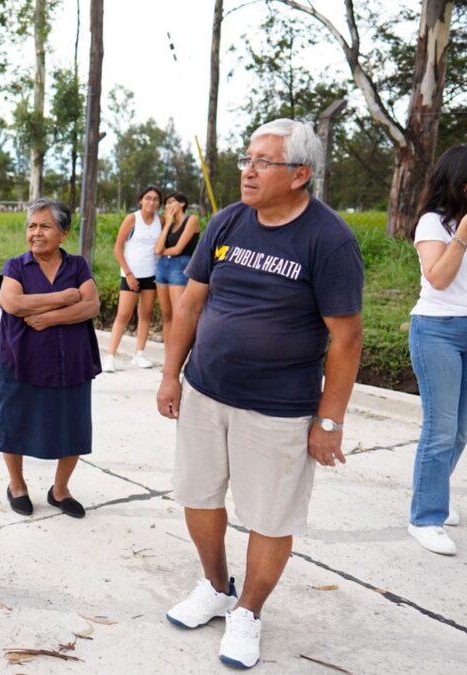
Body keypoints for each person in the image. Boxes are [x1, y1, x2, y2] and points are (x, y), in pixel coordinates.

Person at [156, 119, 363, 669]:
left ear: (300, 175)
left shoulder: (329, 239)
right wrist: (171, 374)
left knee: (271, 518)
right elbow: (191, 305)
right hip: (205, 392)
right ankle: (216, 586)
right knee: (198, 496)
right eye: (247, 159)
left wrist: (329, 421)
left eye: (263, 162)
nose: (248, 170)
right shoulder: (228, 223)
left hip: (278, 408)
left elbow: (346, 338)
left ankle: (248, 611)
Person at [0, 199, 101, 519]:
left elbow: (91, 306)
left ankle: (60, 490)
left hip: (72, 361)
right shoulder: (16, 266)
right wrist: (64, 298)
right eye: (31, 226)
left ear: (64, 234)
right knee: (14, 422)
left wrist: (48, 318)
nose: (36, 233)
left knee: (73, 428)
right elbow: (12, 303)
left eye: (44, 226)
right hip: (21, 359)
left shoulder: (78, 266)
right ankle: (17, 485)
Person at [406, 144, 467, 556]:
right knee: (441, 428)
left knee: (461, 430)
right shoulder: (433, 223)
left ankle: (434, 494)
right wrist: (462, 235)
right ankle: (424, 517)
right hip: (438, 331)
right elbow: (439, 278)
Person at [106, 186, 162, 372]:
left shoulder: (160, 221)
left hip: (151, 275)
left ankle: (139, 354)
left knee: (145, 314)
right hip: (131, 275)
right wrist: (129, 274)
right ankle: (110, 356)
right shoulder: (132, 218)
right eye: (148, 198)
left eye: (155, 199)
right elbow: (117, 248)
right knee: (123, 315)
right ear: (141, 200)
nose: (151, 202)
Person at [155, 192, 200, 347]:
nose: (168, 206)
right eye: (166, 203)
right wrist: (167, 223)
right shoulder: (170, 225)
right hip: (163, 268)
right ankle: (169, 355)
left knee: (178, 314)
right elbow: (158, 249)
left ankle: (179, 355)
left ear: (182, 204)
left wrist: (162, 252)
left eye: (172, 202)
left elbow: (177, 249)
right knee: (166, 315)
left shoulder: (191, 220)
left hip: (180, 266)